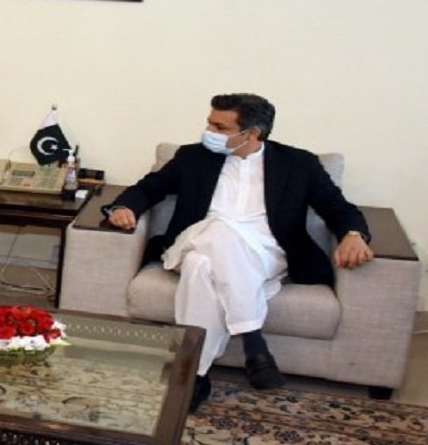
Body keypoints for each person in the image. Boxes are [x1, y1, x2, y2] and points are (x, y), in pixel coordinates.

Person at [104, 93, 373, 412]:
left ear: (252, 133)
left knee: (201, 267)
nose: (209, 131)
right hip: (194, 238)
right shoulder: (193, 157)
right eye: (209, 123)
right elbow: (150, 187)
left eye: (220, 127)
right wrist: (124, 207)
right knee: (219, 230)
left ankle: (193, 375)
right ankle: (252, 339)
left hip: (264, 250)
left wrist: (353, 234)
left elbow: (337, 207)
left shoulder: (299, 164)